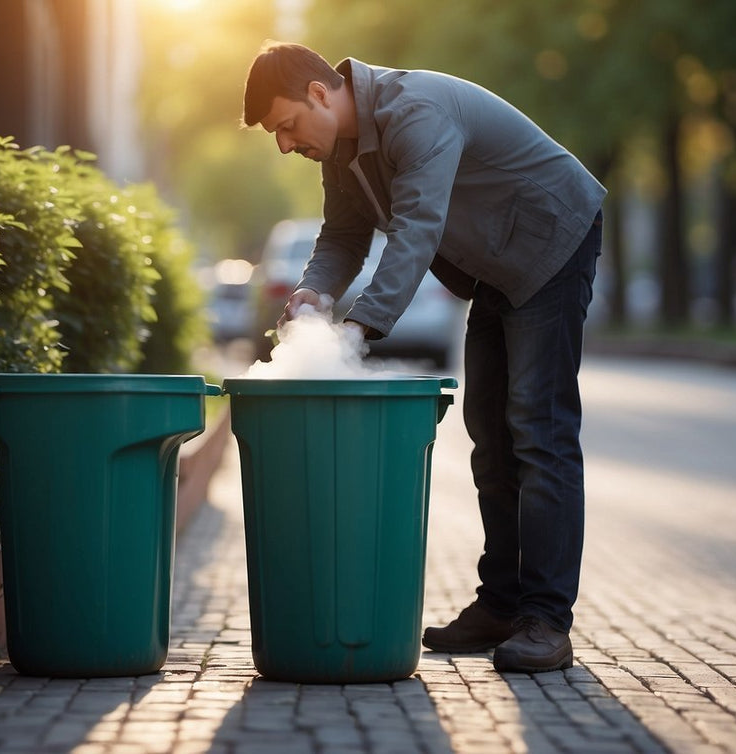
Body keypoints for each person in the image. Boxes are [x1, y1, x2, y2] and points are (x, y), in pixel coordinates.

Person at [241, 41, 605, 674]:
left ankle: (545, 620)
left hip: (550, 239)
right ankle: (500, 604)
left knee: (538, 432)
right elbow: (343, 237)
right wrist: (311, 293)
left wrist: (356, 331)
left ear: (321, 93)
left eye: (287, 125)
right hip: (496, 263)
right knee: (489, 436)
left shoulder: (416, 110)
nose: (284, 144)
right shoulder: (342, 150)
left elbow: (417, 228)